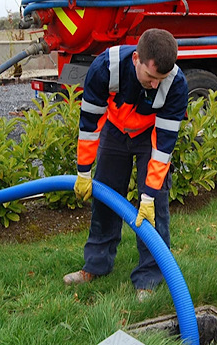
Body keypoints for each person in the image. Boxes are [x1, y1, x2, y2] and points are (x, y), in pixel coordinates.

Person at [65, 29, 188, 302]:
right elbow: (89, 127)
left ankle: (149, 278)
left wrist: (148, 194)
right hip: (116, 128)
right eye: (150, 77)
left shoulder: (176, 85)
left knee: (153, 206)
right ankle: (95, 266)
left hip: (150, 136)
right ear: (136, 59)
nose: (155, 85)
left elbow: (163, 147)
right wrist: (83, 172)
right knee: (106, 195)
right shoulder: (105, 68)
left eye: (161, 79)